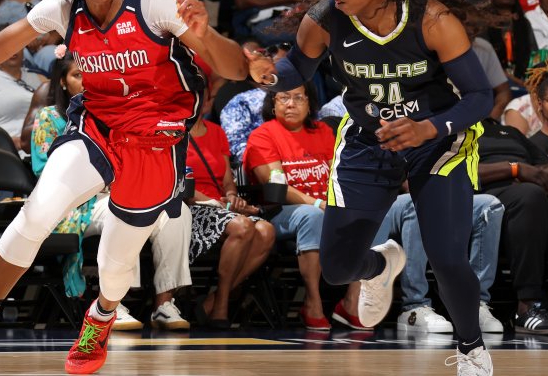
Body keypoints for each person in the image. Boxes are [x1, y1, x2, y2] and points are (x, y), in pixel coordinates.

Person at [0, 0, 249, 375]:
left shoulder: (155, 4)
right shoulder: (62, 9)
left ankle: (100, 316)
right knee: (38, 211)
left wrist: (207, 32)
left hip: (156, 142)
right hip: (97, 127)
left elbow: (233, 68)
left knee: (116, 262)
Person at [247, 0, 494, 373]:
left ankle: (472, 351)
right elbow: (295, 70)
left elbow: (480, 96)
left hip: (435, 141)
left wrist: (427, 128)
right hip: (367, 139)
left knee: (445, 253)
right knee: (337, 269)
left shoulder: (431, 19)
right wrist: (268, 71)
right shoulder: (326, 17)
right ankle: (380, 265)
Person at [32, 55, 192, 331]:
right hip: (78, 202)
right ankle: (114, 305)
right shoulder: (49, 118)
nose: (85, 82)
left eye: (89, 75)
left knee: (176, 213)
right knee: (123, 211)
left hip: (123, 190)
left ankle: (164, 304)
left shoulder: (117, 112)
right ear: (62, 82)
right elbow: (45, 170)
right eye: (77, 76)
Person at [244, 83, 365, 330]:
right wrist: (320, 204)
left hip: (327, 210)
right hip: (280, 214)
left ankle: (353, 300)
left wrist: (342, 205)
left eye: (299, 97)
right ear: (273, 103)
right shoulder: (263, 135)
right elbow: (277, 186)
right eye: (284, 98)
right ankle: (312, 301)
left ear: (310, 103)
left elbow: (337, 175)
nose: (291, 104)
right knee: (311, 216)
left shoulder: (323, 131)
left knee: (371, 212)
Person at [188, 83, 275, 328]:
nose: (204, 104)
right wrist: (217, 202)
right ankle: (223, 304)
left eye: (208, 99)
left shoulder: (216, 132)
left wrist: (232, 196)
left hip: (223, 208)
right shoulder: (172, 134)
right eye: (198, 97)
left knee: (266, 230)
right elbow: (176, 181)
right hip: (191, 207)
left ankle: (216, 299)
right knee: (243, 227)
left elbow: (227, 180)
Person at [372, 193, 505, 334]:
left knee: (490, 205)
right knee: (422, 200)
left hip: (441, 195)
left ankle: (474, 305)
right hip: (387, 202)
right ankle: (413, 307)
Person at [477, 115, 548, 334]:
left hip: (531, 190)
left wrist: (543, 174)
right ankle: (527, 306)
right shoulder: (453, 130)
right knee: (529, 195)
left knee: (533, 194)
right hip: (484, 195)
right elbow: (458, 173)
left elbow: (547, 166)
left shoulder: (510, 132)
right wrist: (514, 169)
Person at [0, 49, 47, 153]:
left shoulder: (41, 79)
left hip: (42, 145)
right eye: (7, 47)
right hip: (7, 150)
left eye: (17, 46)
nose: (13, 50)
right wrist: (10, 142)